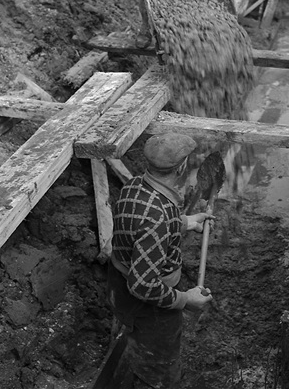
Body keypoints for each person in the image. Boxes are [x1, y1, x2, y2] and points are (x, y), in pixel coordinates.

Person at [107, 132, 214, 388]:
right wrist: (186, 299)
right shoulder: (157, 220)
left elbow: (143, 225)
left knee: (136, 337)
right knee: (158, 368)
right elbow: (143, 285)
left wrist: (187, 222)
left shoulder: (134, 185)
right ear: (181, 167)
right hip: (147, 304)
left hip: (118, 282)